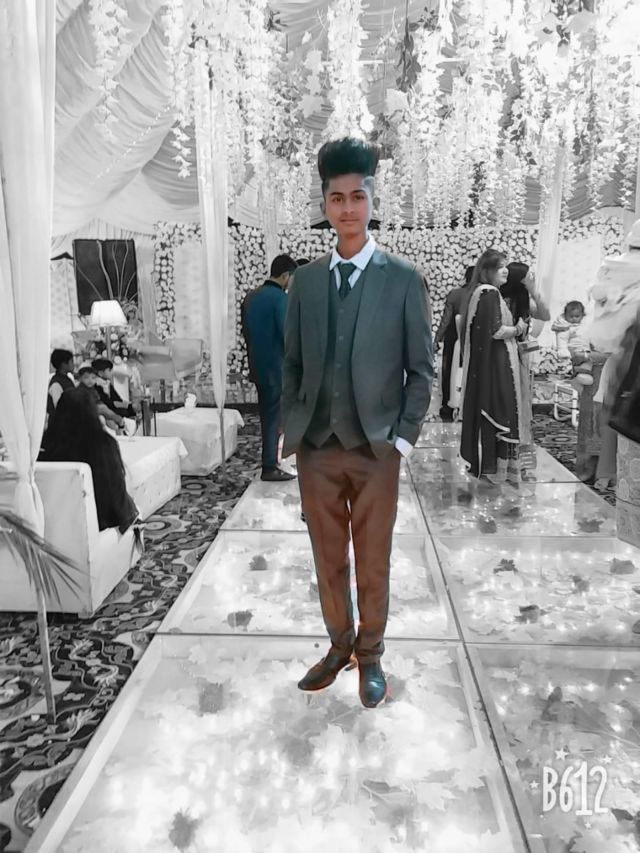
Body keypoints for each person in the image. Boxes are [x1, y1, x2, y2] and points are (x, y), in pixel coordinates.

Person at [282, 137, 433, 708]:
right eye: (337, 198)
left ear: (373, 200)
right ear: (324, 205)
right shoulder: (306, 281)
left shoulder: (403, 279)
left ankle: (370, 654)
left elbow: (421, 370)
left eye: (357, 196)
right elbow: (292, 362)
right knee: (327, 560)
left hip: (376, 450)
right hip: (318, 449)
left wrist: (403, 439)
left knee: (372, 562)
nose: (347, 208)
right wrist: (295, 426)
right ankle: (338, 645)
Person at [460, 249, 526, 485]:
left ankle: (495, 467)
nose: (505, 270)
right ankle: (495, 469)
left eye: (506, 265)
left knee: (497, 409)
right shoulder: (488, 293)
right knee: (500, 409)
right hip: (498, 365)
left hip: (496, 361)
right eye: (500, 267)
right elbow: (496, 330)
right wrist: (518, 329)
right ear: (487, 271)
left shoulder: (482, 292)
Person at [40, 388, 138, 533]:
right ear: (92, 412)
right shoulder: (105, 444)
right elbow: (115, 490)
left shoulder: (45, 446)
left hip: (52, 521)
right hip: (100, 520)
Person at [241, 254, 298, 482]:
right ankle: (269, 466)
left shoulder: (250, 297)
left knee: (267, 416)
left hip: (258, 365)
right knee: (274, 418)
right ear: (285, 276)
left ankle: (270, 460)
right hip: (277, 368)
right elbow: (288, 336)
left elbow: (246, 333)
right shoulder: (281, 299)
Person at [501, 262, 551, 474]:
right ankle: (504, 451)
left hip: (521, 356)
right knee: (508, 401)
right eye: (529, 276)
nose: (532, 277)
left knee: (521, 403)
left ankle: (519, 453)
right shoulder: (501, 298)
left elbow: (545, 315)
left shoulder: (524, 300)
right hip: (504, 356)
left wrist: (533, 290)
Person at [434, 265, 474, 420]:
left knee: (450, 370)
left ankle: (448, 406)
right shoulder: (482, 294)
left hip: (454, 337)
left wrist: (437, 339)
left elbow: (445, 321)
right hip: (474, 339)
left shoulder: (455, 294)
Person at [76, 366, 125, 433]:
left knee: (109, 420)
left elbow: (99, 402)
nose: (90, 380)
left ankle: (117, 430)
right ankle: (118, 421)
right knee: (103, 412)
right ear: (80, 379)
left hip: (98, 411)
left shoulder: (93, 390)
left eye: (93, 378)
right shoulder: (79, 391)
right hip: (86, 412)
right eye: (86, 378)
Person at [47, 349, 76, 422]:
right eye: (71, 361)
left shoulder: (67, 379)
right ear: (64, 364)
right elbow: (59, 407)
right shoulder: (56, 383)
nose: (74, 364)